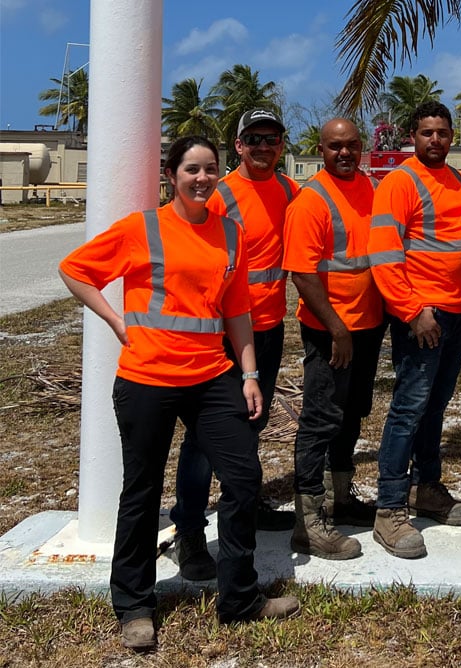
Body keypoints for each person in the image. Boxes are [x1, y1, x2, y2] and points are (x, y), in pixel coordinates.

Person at [58, 136, 299, 652]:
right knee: (142, 491)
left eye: (210, 169)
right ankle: (134, 604)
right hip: (147, 377)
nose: (202, 178)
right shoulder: (143, 228)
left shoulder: (229, 233)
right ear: (172, 175)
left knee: (242, 476)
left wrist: (250, 374)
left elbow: (237, 311)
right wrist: (118, 321)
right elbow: (75, 271)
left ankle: (239, 598)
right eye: (192, 169)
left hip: (213, 375)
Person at [170, 109, 298, 582]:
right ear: (239, 145)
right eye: (254, 139)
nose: (264, 147)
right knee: (205, 437)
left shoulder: (289, 190)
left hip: (267, 328)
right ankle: (189, 531)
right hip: (222, 333)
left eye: (272, 139)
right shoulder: (218, 194)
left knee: (250, 424)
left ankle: (245, 504)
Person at [367, 101, 461, 559]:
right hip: (422, 316)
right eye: (427, 133)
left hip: (456, 313)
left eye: (443, 133)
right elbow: (384, 254)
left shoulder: (459, 181)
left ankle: (427, 488)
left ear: (452, 137)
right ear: (413, 136)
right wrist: (413, 311)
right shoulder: (400, 183)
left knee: (435, 406)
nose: (436, 140)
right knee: (409, 408)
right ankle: (389, 507)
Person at [282, 118, 386, 560]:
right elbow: (302, 275)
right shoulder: (312, 201)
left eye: (353, 145)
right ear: (321, 150)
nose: (345, 153)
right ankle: (308, 521)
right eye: (335, 147)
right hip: (331, 332)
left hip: (369, 326)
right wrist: (337, 329)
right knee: (321, 419)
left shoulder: (372, 189)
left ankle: (342, 497)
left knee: (352, 413)